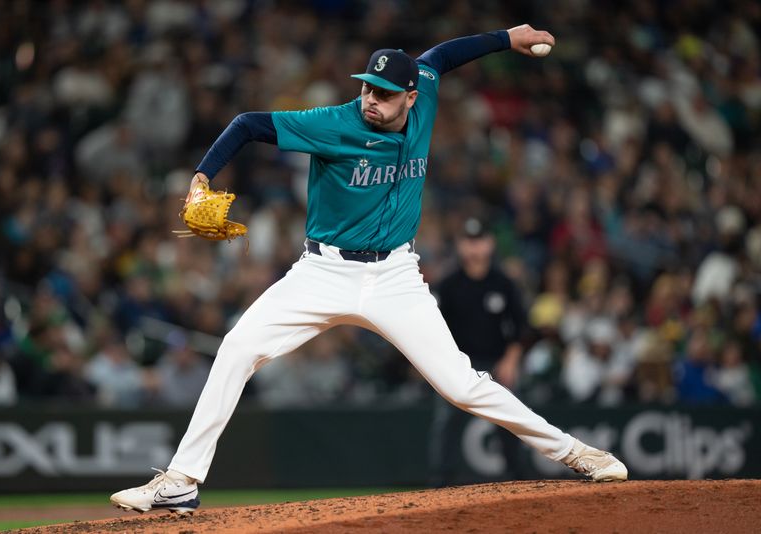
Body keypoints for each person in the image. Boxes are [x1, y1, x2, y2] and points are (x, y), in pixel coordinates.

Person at [111, 24, 627, 516]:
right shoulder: (333, 123)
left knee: (463, 386)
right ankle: (181, 481)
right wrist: (201, 175)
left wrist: (506, 39)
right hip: (322, 273)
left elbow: (442, 56)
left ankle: (577, 455)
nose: (370, 101)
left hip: (397, 277)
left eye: (383, 93)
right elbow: (247, 124)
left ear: (411, 97)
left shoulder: (422, 88)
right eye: (366, 90)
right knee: (237, 348)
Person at [427, 216, 529, 485]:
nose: (474, 248)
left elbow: (521, 326)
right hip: (458, 365)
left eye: (480, 240)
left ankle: (516, 478)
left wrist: (511, 360)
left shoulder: (503, 283)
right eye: (469, 241)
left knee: (511, 419)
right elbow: (434, 328)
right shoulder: (448, 285)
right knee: (446, 422)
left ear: (491, 243)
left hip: (497, 363)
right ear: (460, 245)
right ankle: (441, 481)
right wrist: (443, 365)